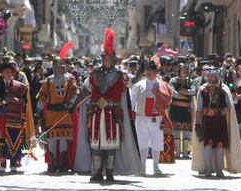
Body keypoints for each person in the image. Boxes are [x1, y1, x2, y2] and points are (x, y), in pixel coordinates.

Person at [73, 28, 141, 182]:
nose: (107, 61)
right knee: (96, 143)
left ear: (113, 59)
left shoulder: (119, 74)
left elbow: (131, 83)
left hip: (113, 112)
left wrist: (141, 72)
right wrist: (75, 104)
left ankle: (109, 171)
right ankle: (97, 172)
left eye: (110, 59)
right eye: (105, 58)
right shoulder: (95, 74)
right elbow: (85, 91)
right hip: (97, 112)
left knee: (111, 143)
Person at [192, 67, 241, 177]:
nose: (210, 78)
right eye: (209, 76)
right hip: (207, 121)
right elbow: (199, 108)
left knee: (220, 144)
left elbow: (228, 106)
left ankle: (220, 170)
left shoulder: (224, 88)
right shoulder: (202, 89)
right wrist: (197, 123)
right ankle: (208, 169)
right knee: (208, 143)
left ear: (217, 76)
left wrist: (219, 112)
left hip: (220, 121)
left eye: (213, 75)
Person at [0, 61, 35, 173]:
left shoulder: (19, 86)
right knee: (3, 138)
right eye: (6, 72)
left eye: (10, 72)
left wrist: (17, 101)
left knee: (15, 138)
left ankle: (14, 162)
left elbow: (25, 101)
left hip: (15, 115)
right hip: (2, 116)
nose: (8, 74)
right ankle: (2, 162)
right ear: (2, 73)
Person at [36, 57, 79, 173]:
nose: (59, 69)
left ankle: (63, 164)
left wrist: (70, 104)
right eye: (57, 67)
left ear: (64, 68)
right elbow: (42, 98)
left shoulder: (70, 79)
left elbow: (75, 93)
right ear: (54, 68)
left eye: (61, 67)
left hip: (64, 112)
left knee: (63, 138)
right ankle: (52, 164)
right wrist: (38, 112)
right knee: (52, 139)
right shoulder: (48, 81)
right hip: (51, 113)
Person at [131, 56, 173, 175]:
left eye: (152, 70)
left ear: (157, 72)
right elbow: (133, 100)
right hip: (141, 116)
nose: (148, 72)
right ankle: (142, 166)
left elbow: (169, 99)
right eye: (147, 70)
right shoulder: (139, 85)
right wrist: (131, 115)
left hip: (156, 117)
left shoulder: (163, 85)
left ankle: (156, 166)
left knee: (157, 141)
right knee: (142, 141)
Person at [168, 63, 195, 159]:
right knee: (176, 130)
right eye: (182, 69)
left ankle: (185, 152)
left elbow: (193, 91)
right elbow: (173, 92)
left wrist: (183, 92)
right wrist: (183, 95)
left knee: (187, 130)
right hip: (175, 108)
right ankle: (177, 151)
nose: (184, 71)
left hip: (186, 109)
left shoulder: (190, 81)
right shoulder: (173, 80)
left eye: (185, 69)